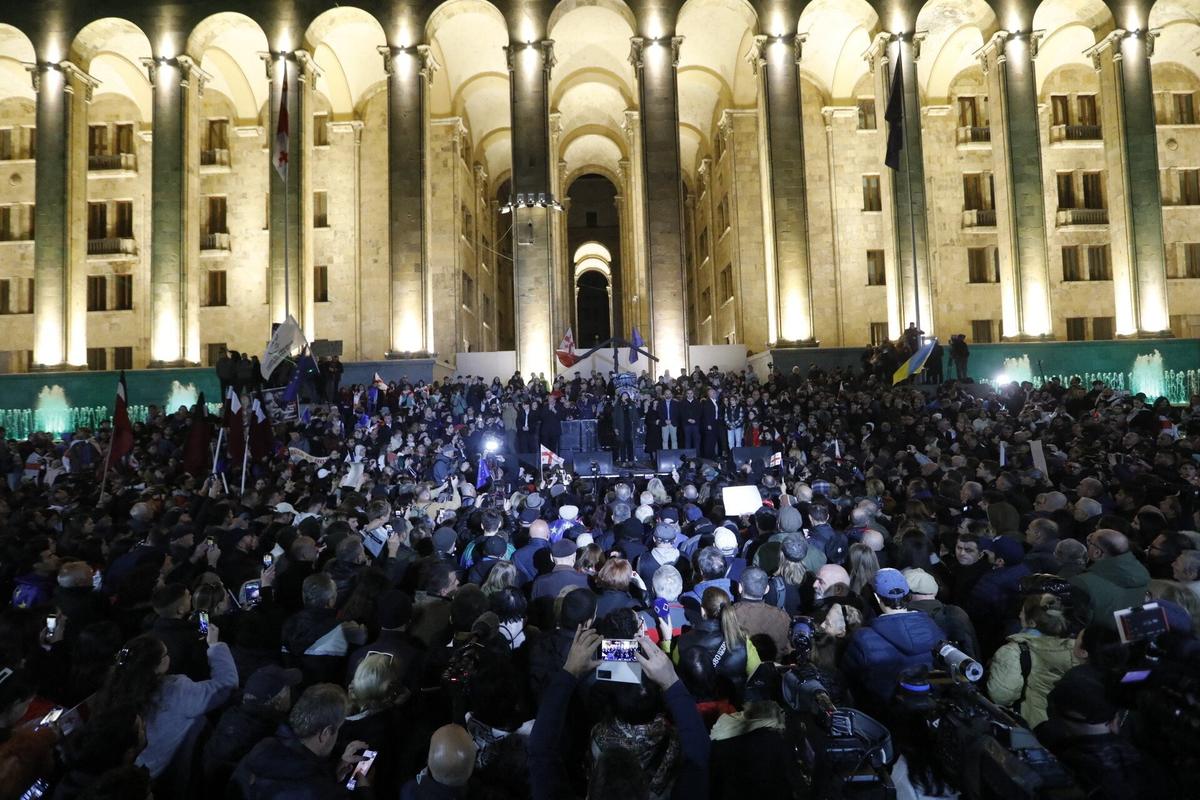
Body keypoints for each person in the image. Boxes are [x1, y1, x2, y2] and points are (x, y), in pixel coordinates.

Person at [94, 628, 238, 780]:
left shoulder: (113, 689)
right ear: (156, 665)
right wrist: (215, 646)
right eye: (165, 654)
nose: (169, 656)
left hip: (135, 769)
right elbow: (226, 685)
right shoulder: (174, 690)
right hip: (165, 774)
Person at [230, 683, 372, 799]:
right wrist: (363, 790)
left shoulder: (260, 749)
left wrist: (331, 775)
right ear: (326, 733)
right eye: (338, 729)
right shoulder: (320, 791)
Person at [842, 569, 946, 708]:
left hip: (880, 716)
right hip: (927, 711)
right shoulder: (932, 627)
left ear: (877, 598)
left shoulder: (863, 639)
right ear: (907, 595)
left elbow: (846, 678)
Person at [986, 594, 1081, 728]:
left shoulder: (1012, 652)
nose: (1019, 615)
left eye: (1022, 611)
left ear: (1032, 623)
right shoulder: (1076, 651)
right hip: (1065, 728)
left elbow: (1001, 696)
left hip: (1030, 726)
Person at [1070, 530, 1151, 630]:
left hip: (1097, 641)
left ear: (1097, 553)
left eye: (1090, 542)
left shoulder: (1082, 583)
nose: (1088, 545)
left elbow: (1076, 624)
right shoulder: (1143, 575)